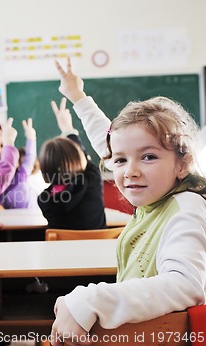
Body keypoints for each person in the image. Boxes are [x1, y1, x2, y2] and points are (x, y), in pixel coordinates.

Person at [50, 57, 206, 345]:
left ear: (183, 164)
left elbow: (186, 284)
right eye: (120, 160)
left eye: (149, 156)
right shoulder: (156, 195)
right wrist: (77, 97)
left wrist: (91, 298)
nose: (130, 170)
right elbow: (106, 141)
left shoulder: (186, 208)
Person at [37, 97, 106, 229]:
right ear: (78, 157)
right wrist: (68, 128)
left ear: (44, 167)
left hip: (60, 250)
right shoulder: (93, 180)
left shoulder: (44, 200)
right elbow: (84, 157)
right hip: (97, 249)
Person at [0, 118, 38, 209]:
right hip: (21, 220)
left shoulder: (21, 174)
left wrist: (31, 138)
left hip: (32, 217)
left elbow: (30, 157)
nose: (14, 162)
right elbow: (30, 157)